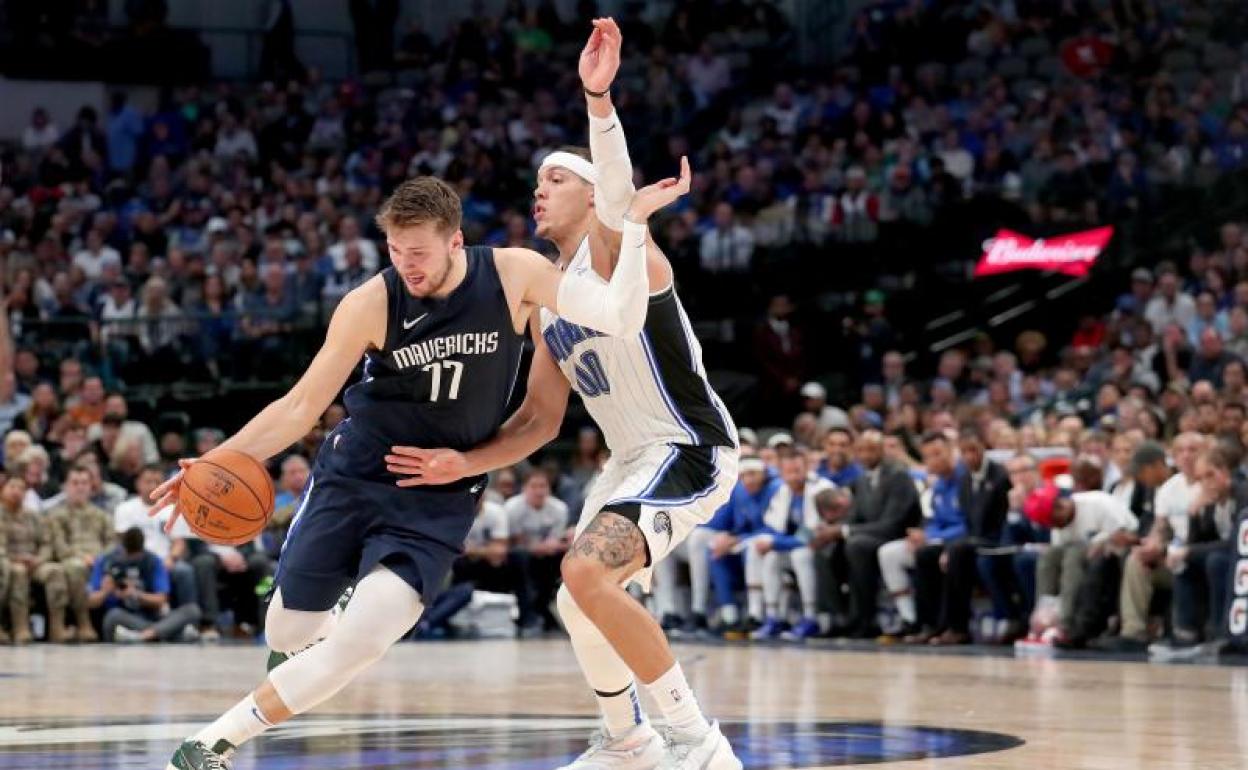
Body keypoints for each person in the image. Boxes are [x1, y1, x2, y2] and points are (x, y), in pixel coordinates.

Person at [152, 23, 691, 770]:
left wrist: (626, 211)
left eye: (419, 253)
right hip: (354, 473)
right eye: (395, 251)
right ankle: (306, 631)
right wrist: (215, 460)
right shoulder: (371, 301)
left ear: (454, 241)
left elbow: (604, 321)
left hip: (437, 493)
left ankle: (212, 744)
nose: (406, 265)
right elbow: (299, 408)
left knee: (364, 637)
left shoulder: (513, 275)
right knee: (287, 631)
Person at [386, 20, 742, 770]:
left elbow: (618, 191)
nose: (538, 191)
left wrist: (598, 100)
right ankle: (628, 741)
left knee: (585, 573)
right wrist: (465, 461)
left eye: (555, 179)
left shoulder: (619, 254)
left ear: (592, 196)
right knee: (575, 600)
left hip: (688, 444)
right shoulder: (549, 304)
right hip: (628, 459)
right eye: (538, 182)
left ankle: (698, 743)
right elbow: (541, 420)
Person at [89, 527, 202, 643]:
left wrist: (136, 594)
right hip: (125, 617)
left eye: (136, 556)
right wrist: (105, 592)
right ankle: (167, 634)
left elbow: (161, 600)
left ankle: (147, 635)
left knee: (192, 610)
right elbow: (91, 602)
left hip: (151, 618)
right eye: (128, 556)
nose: (131, 559)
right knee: (112, 616)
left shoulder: (153, 561)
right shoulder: (106, 561)